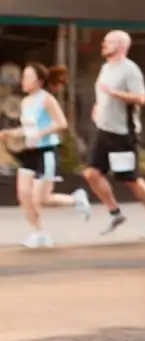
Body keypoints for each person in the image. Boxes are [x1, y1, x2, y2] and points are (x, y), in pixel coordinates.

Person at [83, 30, 145, 238]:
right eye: (104, 41)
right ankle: (115, 213)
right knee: (91, 173)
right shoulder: (106, 67)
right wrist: (98, 107)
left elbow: (141, 98)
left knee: (130, 180)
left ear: (122, 45)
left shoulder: (130, 70)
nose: (104, 44)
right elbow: (103, 93)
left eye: (108, 42)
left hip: (122, 134)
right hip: (103, 130)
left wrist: (115, 94)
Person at [0, 64, 90, 248]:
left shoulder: (47, 100)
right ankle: (38, 233)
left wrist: (42, 133)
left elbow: (62, 123)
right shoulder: (25, 102)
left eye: (28, 76)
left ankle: (76, 199)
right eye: (23, 76)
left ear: (39, 81)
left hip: (47, 152)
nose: (23, 80)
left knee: (41, 199)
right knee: (24, 195)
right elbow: (27, 130)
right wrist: (9, 133)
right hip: (29, 153)